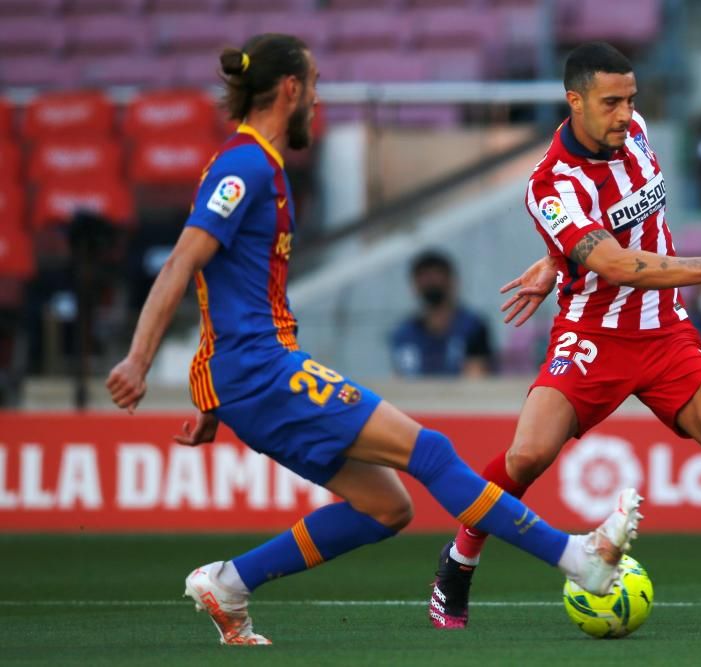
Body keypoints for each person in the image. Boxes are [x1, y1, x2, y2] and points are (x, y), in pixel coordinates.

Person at [105, 34, 642, 646]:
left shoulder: (257, 163)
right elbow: (183, 263)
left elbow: (223, 286)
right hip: (260, 371)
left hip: (246, 377)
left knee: (387, 508)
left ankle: (229, 583)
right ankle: (580, 559)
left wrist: (211, 395)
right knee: (432, 452)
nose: (318, 97)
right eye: (313, 85)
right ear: (290, 90)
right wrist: (140, 360)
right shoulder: (246, 164)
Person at [428, 42, 701, 632]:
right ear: (574, 103)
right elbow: (620, 264)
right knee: (527, 455)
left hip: (663, 328)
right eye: (610, 102)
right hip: (592, 333)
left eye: (630, 98)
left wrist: (556, 261)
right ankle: (458, 563)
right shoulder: (551, 185)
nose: (625, 113)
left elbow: (616, 223)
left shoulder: (637, 132)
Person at [390, 250, 494, 378]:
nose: (431, 282)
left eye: (436, 275)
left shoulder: (473, 327)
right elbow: (399, 379)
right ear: (414, 285)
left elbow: (476, 377)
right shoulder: (403, 333)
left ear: (452, 281)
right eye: (424, 277)